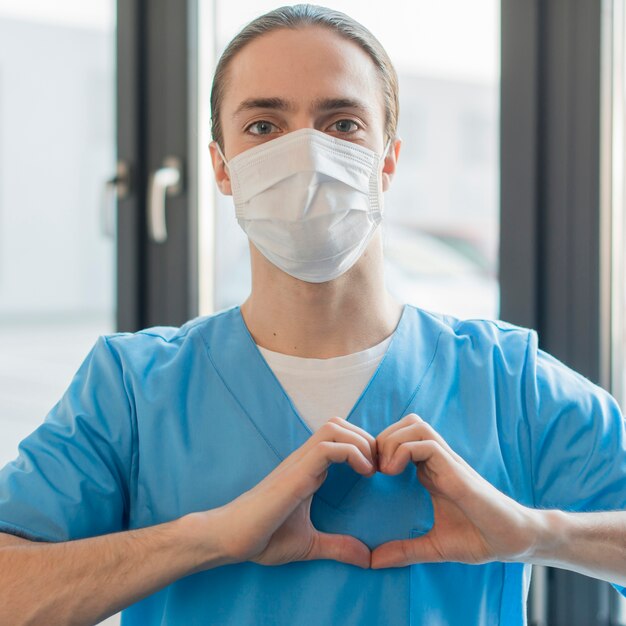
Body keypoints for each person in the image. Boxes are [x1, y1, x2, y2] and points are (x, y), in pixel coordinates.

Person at [1, 4, 626, 625]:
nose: (307, 154)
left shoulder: (505, 381)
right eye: (264, 127)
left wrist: (539, 534)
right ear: (222, 167)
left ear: (387, 160)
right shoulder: (134, 391)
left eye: (343, 123)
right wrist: (208, 538)